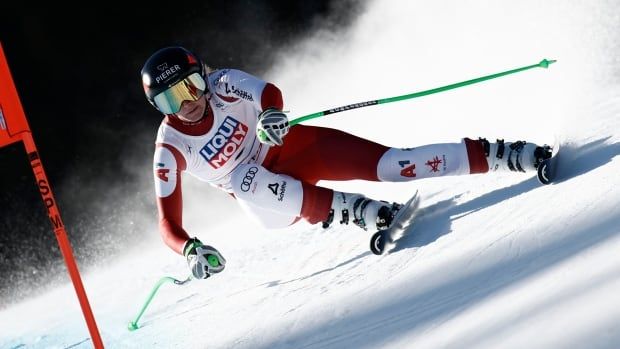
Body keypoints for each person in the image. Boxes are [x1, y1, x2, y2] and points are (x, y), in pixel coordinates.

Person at [141, 46, 551, 280]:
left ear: (202, 77)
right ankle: (356, 211)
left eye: (191, 86)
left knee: (394, 163)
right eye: (171, 100)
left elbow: (268, 91)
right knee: (243, 178)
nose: (190, 102)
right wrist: (190, 249)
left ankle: (500, 154)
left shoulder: (222, 83)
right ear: (158, 107)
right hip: (271, 201)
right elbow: (167, 225)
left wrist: (269, 115)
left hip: (294, 149)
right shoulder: (170, 147)